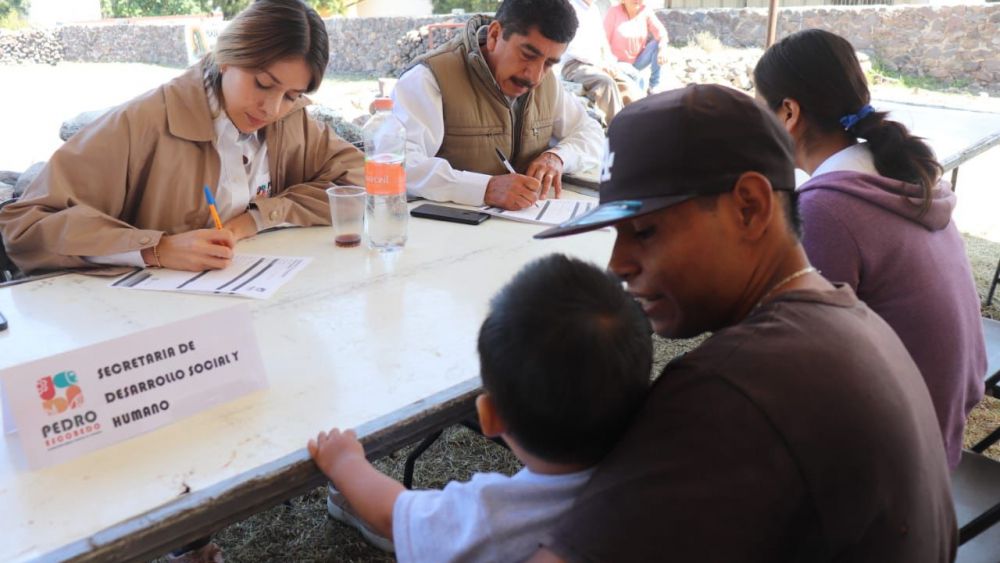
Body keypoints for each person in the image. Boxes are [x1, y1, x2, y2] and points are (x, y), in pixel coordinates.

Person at [528, 85, 956, 561]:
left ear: (749, 207)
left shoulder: (737, 387)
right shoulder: (848, 317)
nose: (618, 264)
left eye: (645, 231)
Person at [308, 253, 651, 561]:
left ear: (488, 416)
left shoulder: (493, 515)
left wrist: (345, 462)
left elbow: (391, 515)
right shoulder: (654, 464)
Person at [753, 29, 986, 470]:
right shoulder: (899, 176)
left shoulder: (828, 208)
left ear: (788, 112)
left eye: (758, 106)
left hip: (892, 464)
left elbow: (798, 358)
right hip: (938, 433)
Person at [0, 0, 364, 274]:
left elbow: (360, 178)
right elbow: (26, 224)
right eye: (263, 84)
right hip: (150, 336)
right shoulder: (141, 123)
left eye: (290, 95)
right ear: (226, 57)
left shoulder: (291, 121)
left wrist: (255, 220)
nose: (270, 108)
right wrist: (155, 249)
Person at [392, 0, 604, 211]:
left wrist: (557, 157)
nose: (535, 76)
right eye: (527, 56)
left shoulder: (547, 84)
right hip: (450, 234)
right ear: (494, 35)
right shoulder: (430, 78)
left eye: (549, 63)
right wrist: (484, 188)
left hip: (525, 226)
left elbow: (591, 133)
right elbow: (399, 164)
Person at [562, 0, 644, 123]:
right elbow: (572, 48)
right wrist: (600, 64)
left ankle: (642, 128)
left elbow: (602, 42)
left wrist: (610, 63)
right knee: (606, 83)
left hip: (597, 64)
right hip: (574, 64)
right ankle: (615, 133)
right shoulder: (568, 6)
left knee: (629, 85)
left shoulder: (593, 9)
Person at [604, 0, 671, 93]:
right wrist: (608, 63)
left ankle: (653, 87)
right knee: (639, 80)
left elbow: (661, 33)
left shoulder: (645, 11)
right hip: (617, 63)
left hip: (638, 61)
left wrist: (663, 49)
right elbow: (603, 40)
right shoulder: (613, 12)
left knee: (657, 44)